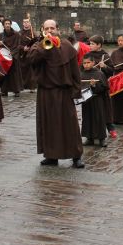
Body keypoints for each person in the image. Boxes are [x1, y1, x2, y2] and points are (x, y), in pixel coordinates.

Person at [27, 19, 84, 168]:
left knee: (69, 125)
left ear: (58, 29)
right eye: (47, 28)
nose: (50, 30)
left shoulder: (67, 46)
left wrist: (76, 91)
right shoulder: (38, 45)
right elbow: (31, 59)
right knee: (48, 125)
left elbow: (75, 71)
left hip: (64, 92)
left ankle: (76, 156)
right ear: (42, 30)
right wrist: (44, 46)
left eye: (52, 28)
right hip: (45, 92)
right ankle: (51, 156)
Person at [86, 35, 117, 138]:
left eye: (92, 44)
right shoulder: (87, 56)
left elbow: (111, 71)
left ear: (99, 45)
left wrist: (105, 67)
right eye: (90, 43)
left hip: (102, 87)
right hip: (90, 86)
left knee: (105, 108)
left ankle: (110, 127)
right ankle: (91, 133)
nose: (90, 46)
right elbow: (82, 68)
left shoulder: (106, 56)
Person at [80, 53, 111, 147]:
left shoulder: (99, 73)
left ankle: (101, 138)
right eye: (84, 63)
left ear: (93, 62)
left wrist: (94, 85)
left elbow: (104, 87)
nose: (86, 65)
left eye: (88, 62)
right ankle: (89, 138)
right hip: (86, 100)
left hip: (97, 99)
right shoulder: (81, 74)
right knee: (87, 118)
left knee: (99, 118)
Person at [0, 19, 23, 96]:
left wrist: (13, 52)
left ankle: (16, 90)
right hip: (4, 58)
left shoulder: (17, 34)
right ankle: (4, 90)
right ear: (3, 25)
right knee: (5, 74)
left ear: (10, 24)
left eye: (9, 23)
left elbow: (18, 45)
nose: (7, 25)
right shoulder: (0, 36)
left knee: (15, 74)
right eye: (6, 24)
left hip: (14, 56)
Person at [19, 18, 40, 92]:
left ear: (30, 23)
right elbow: (17, 44)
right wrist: (22, 48)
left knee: (31, 71)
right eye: (24, 22)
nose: (26, 23)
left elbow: (37, 43)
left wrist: (31, 48)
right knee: (22, 71)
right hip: (22, 54)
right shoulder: (19, 33)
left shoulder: (33, 33)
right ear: (23, 23)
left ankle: (32, 87)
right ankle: (22, 86)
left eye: (27, 22)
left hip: (31, 54)